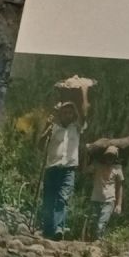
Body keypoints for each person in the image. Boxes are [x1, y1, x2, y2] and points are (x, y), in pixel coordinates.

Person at [39, 85, 88, 239]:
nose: (67, 114)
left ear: (73, 115)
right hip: (52, 168)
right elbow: (40, 145)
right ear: (60, 114)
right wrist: (47, 129)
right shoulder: (53, 127)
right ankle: (47, 230)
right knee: (48, 200)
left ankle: (58, 229)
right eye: (65, 112)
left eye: (70, 112)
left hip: (68, 169)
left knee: (63, 199)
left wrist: (84, 91)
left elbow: (85, 113)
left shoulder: (77, 128)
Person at [88, 143, 125, 237]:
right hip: (95, 199)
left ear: (115, 157)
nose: (109, 158)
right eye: (108, 156)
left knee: (101, 225)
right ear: (105, 156)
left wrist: (119, 204)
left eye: (112, 156)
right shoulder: (97, 165)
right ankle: (93, 242)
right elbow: (86, 170)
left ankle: (98, 241)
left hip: (109, 200)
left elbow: (120, 187)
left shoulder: (117, 168)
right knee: (92, 223)